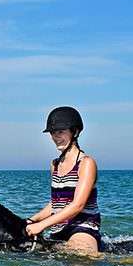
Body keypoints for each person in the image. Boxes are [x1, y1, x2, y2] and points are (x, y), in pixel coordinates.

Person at [25, 106, 102, 256]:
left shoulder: (86, 163)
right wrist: (32, 220)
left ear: (75, 132)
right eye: (53, 133)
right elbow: (55, 203)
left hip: (82, 228)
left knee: (82, 257)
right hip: (58, 229)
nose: (56, 137)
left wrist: (41, 225)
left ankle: (122, 261)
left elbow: (77, 205)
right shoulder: (55, 164)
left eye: (61, 132)